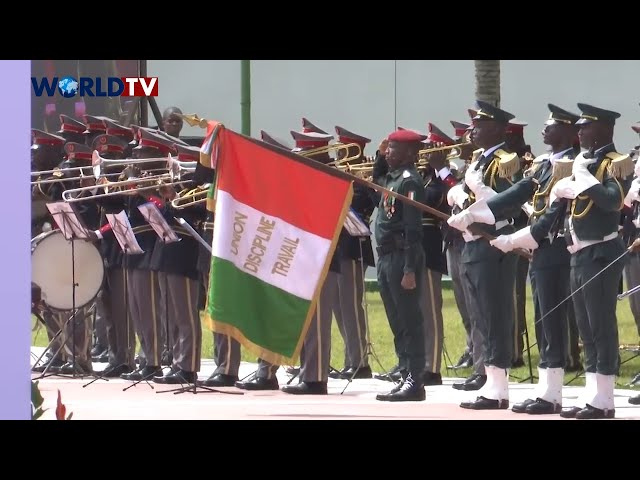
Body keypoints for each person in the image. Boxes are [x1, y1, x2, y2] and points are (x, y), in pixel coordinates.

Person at [487, 103, 632, 419]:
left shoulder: (615, 163)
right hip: (577, 252)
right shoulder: (583, 162)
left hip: (602, 251)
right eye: (579, 127)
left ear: (604, 130)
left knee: (600, 325)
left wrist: (584, 178)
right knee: (585, 327)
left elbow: (612, 201)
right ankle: (592, 395)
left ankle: (604, 399)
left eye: (586, 127)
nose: (581, 131)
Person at [448, 103, 581, 415]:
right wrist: (469, 212)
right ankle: (519, 388)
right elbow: (518, 194)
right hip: (533, 247)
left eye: (551, 125)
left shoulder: (572, 164)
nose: (544, 129)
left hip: (553, 246)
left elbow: (524, 206)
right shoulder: (546, 164)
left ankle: (558, 393)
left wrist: (511, 235)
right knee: (532, 320)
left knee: (545, 320)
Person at [445, 100, 524, 410]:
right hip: (472, 244)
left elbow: (510, 205)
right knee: (479, 314)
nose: (473, 130)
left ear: (495, 128)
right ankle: (492, 383)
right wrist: (461, 200)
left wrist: (478, 208)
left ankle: (499, 386)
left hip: (493, 245)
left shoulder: (506, 160)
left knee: (494, 315)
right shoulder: (479, 160)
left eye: (479, 125)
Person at [281, 130, 342, 395]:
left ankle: (316, 378)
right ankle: (308, 371)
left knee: (316, 320)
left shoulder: (330, 179)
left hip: (321, 257)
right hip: (305, 256)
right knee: (306, 317)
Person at [372, 128, 428, 402]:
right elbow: (376, 184)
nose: (387, 152)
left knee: (410, 321)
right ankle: (404, 370)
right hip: (385, 258)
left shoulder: (410, 182)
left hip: (401, 258)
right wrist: (379, 156)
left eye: (392, 148)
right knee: (397, 321)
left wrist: (408, 269)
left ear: (408, 153)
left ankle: (415, 379)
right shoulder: (392, 178)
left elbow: (413, 230)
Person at [329, 125, 376, 380]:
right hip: (336, 248)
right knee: (337, 304)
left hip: (353, 247)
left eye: (345, 149)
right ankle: (350, 357)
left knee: (350, 304)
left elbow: (362, 205)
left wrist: (359, 181)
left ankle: (360, 362)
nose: (340, 156)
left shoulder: (363, 179)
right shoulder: (340, 174)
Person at [417, 123, 457, 385]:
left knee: (430, 310)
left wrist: (440, 167)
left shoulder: (446, 178)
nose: (424, 155)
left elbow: (440, 200)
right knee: (414, 311)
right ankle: (414, 362)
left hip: (430, 245)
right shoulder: (421, 176)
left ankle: (432, 367)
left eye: (430, 150)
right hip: (411, 245)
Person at [444, 120, 475, 369]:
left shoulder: (475, 168)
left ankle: (477, 350)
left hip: (470, 240)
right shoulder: (460, 168)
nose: (458, 146)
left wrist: (443, 174)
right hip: (454, 240)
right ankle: (470, 346)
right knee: (461, 299)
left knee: (472, 298)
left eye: (463, 140)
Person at [505, 120, 533, 368]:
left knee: (515, 295)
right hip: (502, 236)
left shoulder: (524, 162)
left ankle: (515, 351)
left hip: (520, 235)